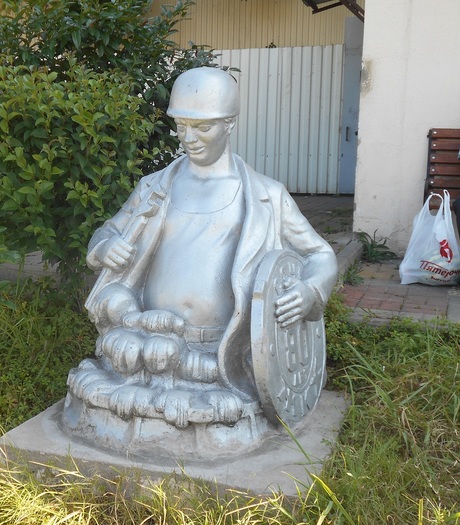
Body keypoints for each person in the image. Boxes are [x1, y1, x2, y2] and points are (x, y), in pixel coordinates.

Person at [63, 67, 337, 450]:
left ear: (229, 124)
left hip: (220, 352)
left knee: (216, 412)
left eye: (202, 127)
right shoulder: (155, 188)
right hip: (143, 337)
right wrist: (106, 247)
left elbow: (319, 253)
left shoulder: (265, 197)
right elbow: (106, 233)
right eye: (182, 126)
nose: (189, 138)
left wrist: (310, 291)